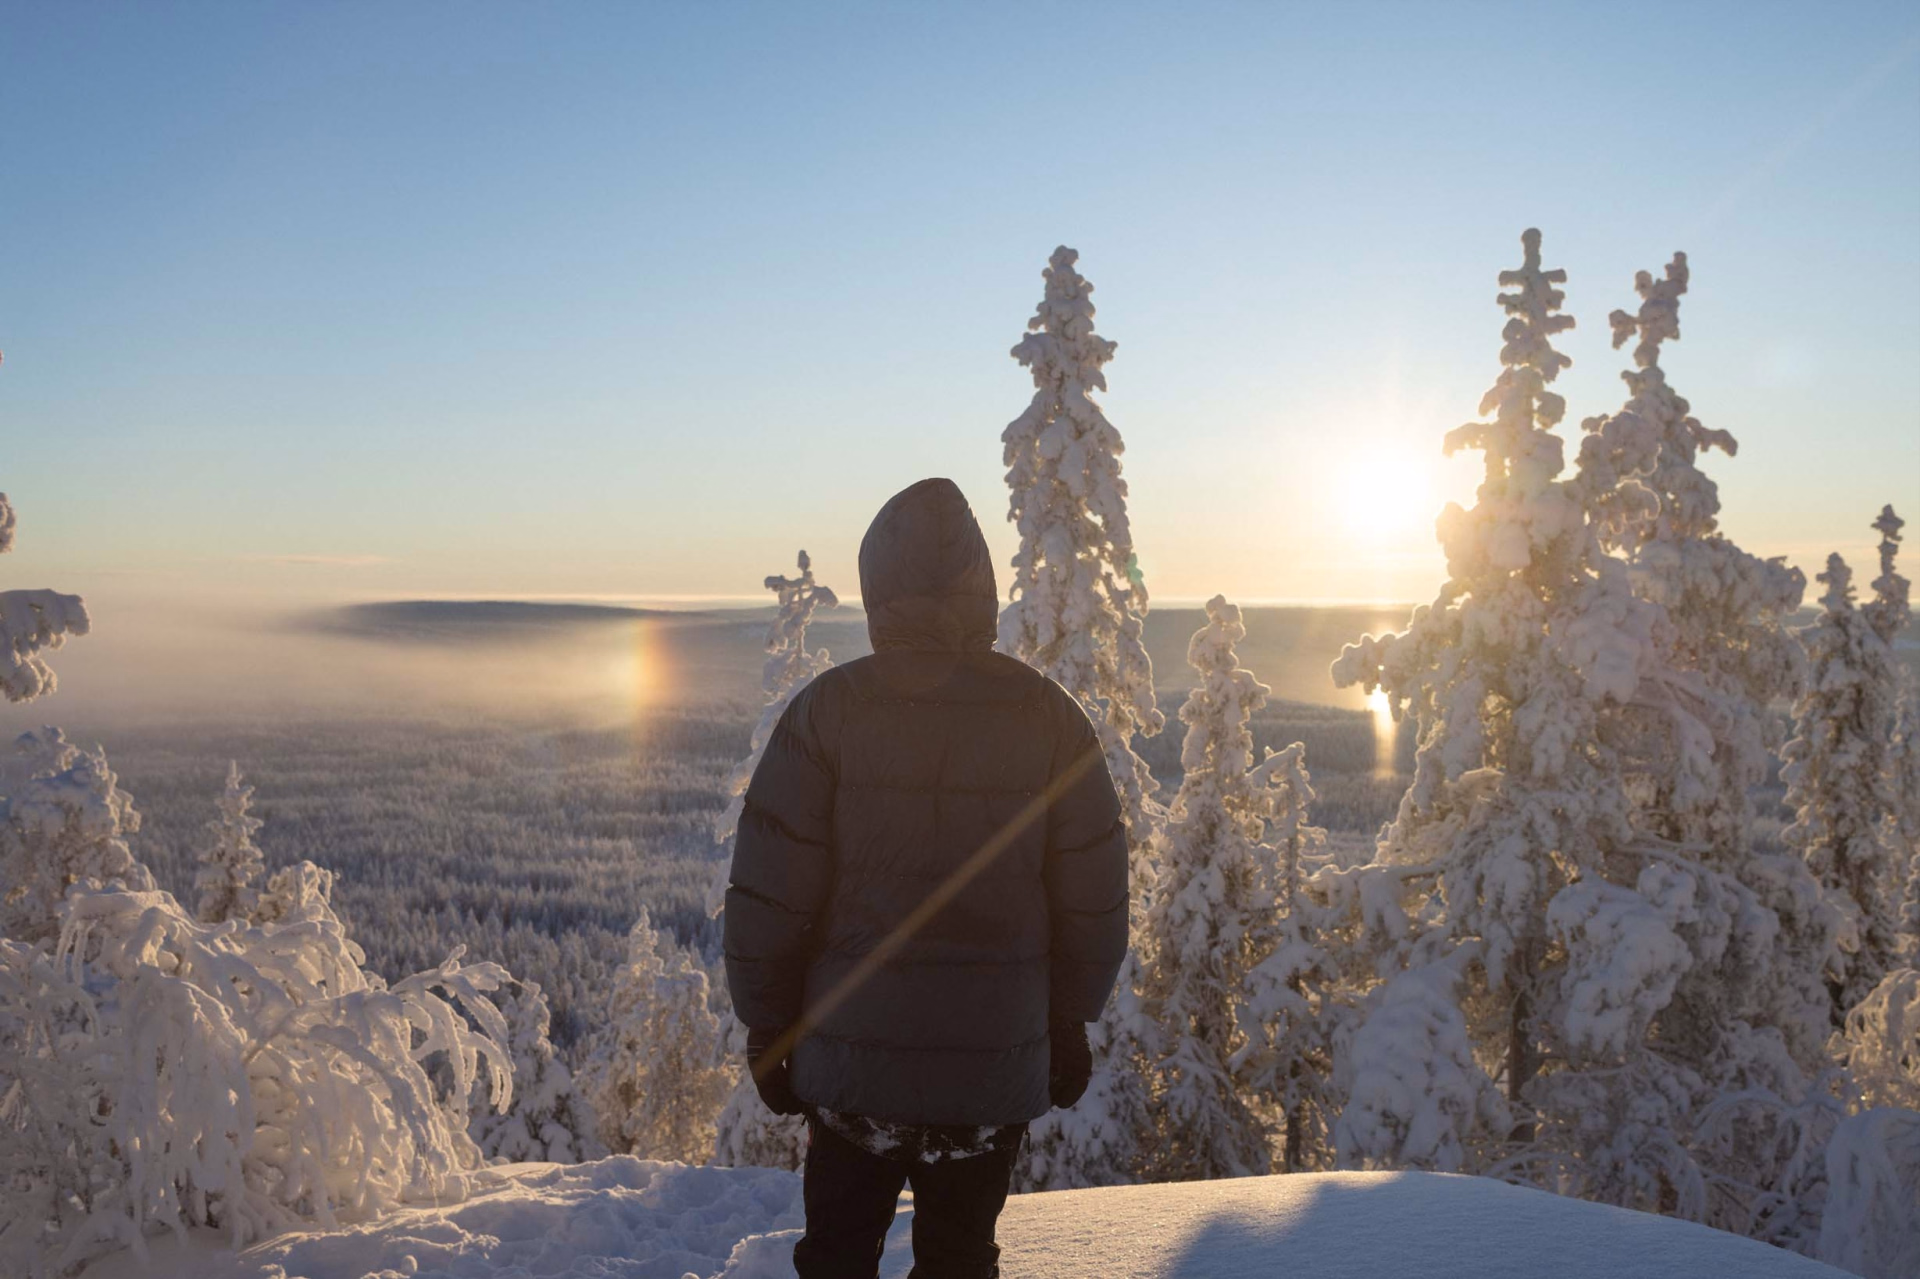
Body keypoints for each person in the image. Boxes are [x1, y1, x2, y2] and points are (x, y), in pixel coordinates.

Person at [723, 477, 1130, 1279]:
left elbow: (772, 892)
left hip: (852, 1074)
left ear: (879, 591)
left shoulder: (827, 712)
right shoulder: (1047, 716)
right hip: (990, 1065)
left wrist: (770, 1028)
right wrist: (1068, 1021)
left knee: (837, 1258)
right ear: (980, 587)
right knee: (959, 1261)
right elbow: (1094, 895)